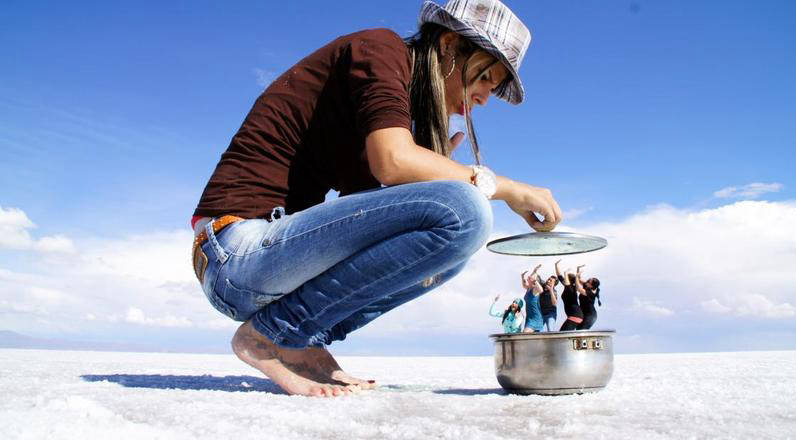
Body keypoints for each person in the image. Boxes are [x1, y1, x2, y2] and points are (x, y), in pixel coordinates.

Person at [190, 0, 562, 397]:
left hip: (267, 266)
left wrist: (432, 175)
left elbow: (369, 215)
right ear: (450, 45)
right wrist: (506, 188)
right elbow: (393, 160)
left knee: (451, 251)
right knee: (465, 210)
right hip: (233, 249)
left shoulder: (380, 114)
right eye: (487, 77)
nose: (486, 97)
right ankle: (271, 337)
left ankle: (301, 338)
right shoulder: (382, 49)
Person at [555, 260, 583, 331]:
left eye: (566, 278)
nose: (564, 279)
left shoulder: (570, 288)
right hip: (575, 315)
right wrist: (556, 265)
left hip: (575, 315)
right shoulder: (570, 287)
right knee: (565, 334)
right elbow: (559, 276)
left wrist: (566, 272)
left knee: (562, 334)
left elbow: (565, 280)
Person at [575, 265, 601, 330]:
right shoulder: (588, 285)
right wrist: (578, 269)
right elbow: (579, 280)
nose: (587, 280)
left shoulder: (591, 293)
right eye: (589, 279)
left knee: (582, 330)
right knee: (578, 329)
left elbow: (578, 288)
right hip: (583, 313)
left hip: (590, 315)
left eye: (589, 281)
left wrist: (576, 277)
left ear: (591, 286)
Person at [521, 264, 544, 332]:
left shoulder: (535, 290)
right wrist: (522, 277)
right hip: (529, 317)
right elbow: (524, 285)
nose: (529, 277)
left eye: (530, 278)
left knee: (525, 333)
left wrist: (535, 280)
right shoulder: (528, 288)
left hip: (536, 318)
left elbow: (541, 290)